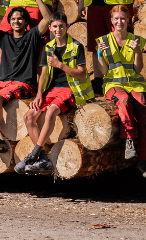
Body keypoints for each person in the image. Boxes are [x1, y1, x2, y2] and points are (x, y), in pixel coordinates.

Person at [0, 0, 50, 162]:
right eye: (13, 19)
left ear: (25, 22)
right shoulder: (4, 38)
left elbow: (47, 19)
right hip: (4, 83)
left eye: (20, 19)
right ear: (9, 22)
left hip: (24, 84)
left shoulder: (32, 36)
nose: (16, 21)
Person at [15, 12, 93, 175]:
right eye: (55, 26)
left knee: (50, 112)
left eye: (61, 26)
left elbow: (82, 74)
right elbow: (43, 74)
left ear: (67, 27)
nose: (58, 29)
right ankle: (43, 159)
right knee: (28, 117)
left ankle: (33, 155)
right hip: (52, 90)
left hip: (71, 90)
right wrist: (39, 94)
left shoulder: (76, 46)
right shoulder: (49, 47)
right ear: (50, 28)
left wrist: (60, 65)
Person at [96, 5, 146, 179]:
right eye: (116, 19)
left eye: (123, 19)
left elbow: (138, 69)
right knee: (123, 101)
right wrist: (102, 56)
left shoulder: (137, 40)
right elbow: (104, 72)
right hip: (113, 84)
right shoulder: (103, 41)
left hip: (135, 84)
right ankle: (128, 140)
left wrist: (137, 51)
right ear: (111, 21)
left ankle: (145, 161)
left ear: (128, 20)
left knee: (143, 114)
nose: (119, 22)